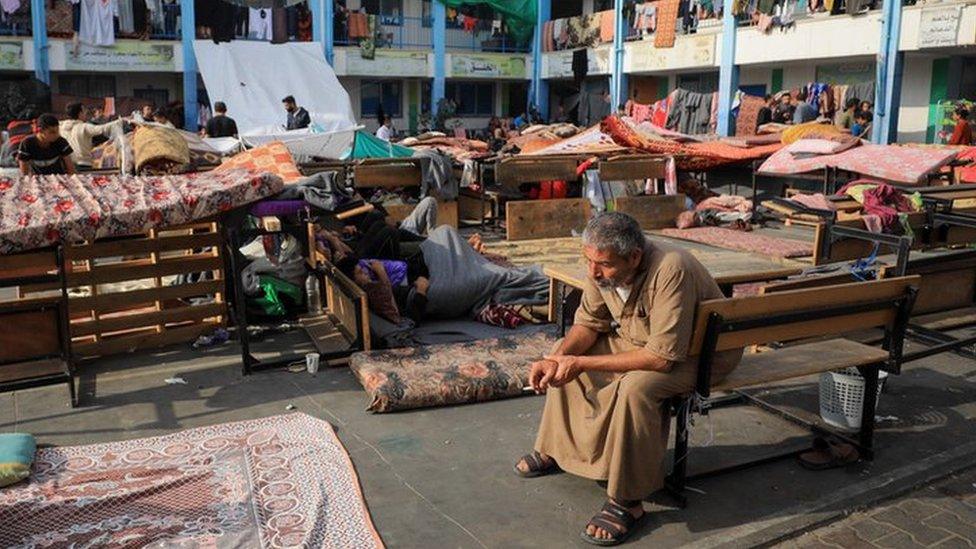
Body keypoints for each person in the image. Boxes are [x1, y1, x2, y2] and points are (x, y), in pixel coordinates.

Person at [514, 212, 742, 546]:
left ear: (634, 256)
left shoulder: (670, 268)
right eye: (588, 261)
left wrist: (579, 361)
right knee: (564, 358)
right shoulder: (603, 264)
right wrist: (557, 359)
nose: (593, 272)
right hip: (647, 342)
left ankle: (628, 501)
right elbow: (589, 324)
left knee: (637, 387)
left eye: (603, 265)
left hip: (702, 356)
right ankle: (558, 449)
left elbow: (663, 359)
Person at [59, 102, 123, 168]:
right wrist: (121, 121)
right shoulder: (84, 127)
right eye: (84, 111)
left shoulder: (60, 127)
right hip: (84, 164)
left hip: (68, 165)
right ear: (80, 113)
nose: (86, 113)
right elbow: (103, 128)